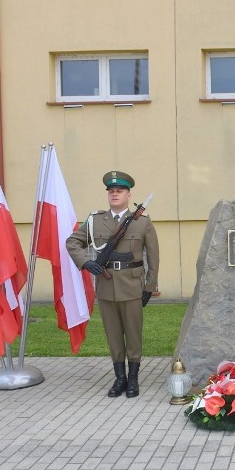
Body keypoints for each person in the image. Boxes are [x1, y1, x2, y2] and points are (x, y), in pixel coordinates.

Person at [66, 171, 159, 398]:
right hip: (106, 286)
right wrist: (87, 262)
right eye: (111, 191)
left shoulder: (142, 222)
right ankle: (120, 378)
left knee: (133, 334)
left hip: (132, 285)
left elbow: (153, 256)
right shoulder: (96, 220)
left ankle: (134, 379)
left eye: (120, 191)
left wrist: (150, 286)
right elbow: (72, 242)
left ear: (129, 194)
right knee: (113, 335)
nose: (115, 194)